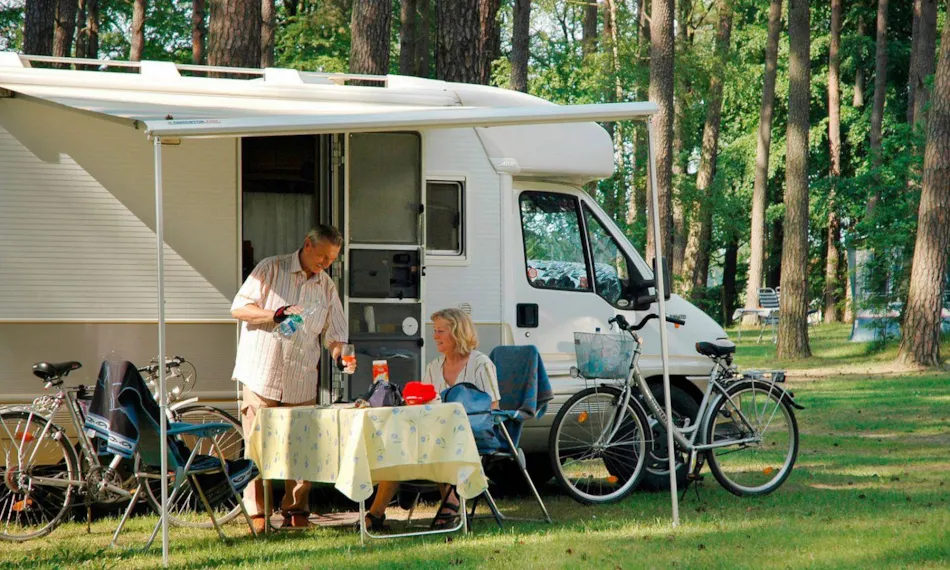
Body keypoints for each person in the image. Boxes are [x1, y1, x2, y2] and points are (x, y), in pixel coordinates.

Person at [231, 225, 356, 532]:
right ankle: (258, 514)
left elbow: (335, 335)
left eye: (332, 259)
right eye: (323, 256)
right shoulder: (270, 269)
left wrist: (340, 356)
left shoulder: (326, 287)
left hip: (301, 377)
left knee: (301, 448)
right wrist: (275, 314)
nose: (326, 263)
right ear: (307, 244)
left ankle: (296, 511)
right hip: (262, 374)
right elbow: (239, 308)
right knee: (257, 447)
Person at [364, 308, 500, 531]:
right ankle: (376, 513)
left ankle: (450, 501)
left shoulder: (480, 363)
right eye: (434, 331)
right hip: (435, 433)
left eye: (440, 331)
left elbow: (493, 407)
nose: (435, 336)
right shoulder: (434, 367)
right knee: (396, 445)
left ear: (457, 332)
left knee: (434, 443)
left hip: (471, 433)